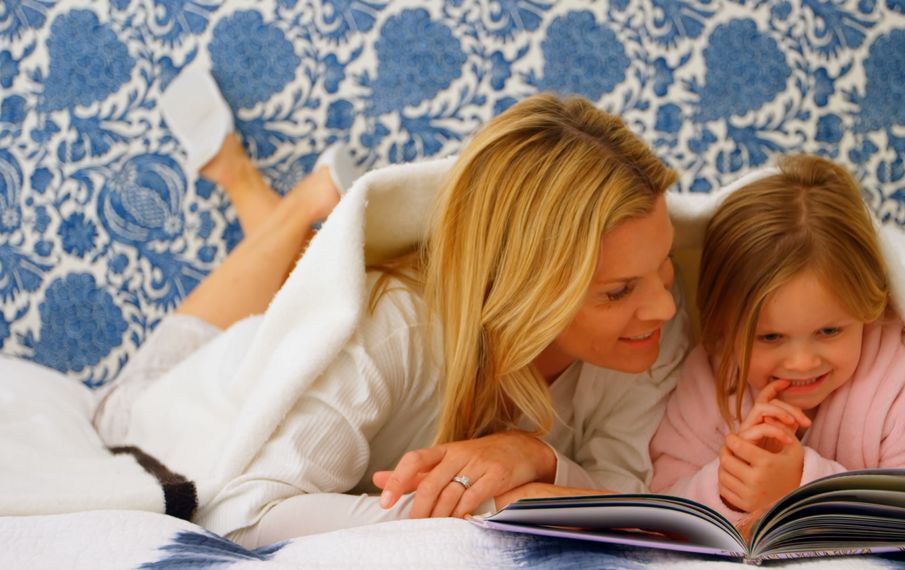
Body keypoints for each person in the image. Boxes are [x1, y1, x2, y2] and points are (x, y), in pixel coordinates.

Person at [94, 80, 691, 548]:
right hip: (205, 387)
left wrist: (535, 458)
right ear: (521, 291)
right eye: (618, 291)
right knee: (127, 395)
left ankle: (296, 214)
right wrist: (480, 511)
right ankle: (259, 186)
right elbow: (243, 515)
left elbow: (624, 493)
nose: (663, 305)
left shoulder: (653, 332)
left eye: (664, 263)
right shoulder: (395, 330)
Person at [648, 154, 905, 526]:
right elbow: (662, 499)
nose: (802, 362)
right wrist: (727, 485)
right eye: (770, 336)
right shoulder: (712, 376)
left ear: (871, 307)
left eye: (830, 331)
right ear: (722, 326)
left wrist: (802, 487)